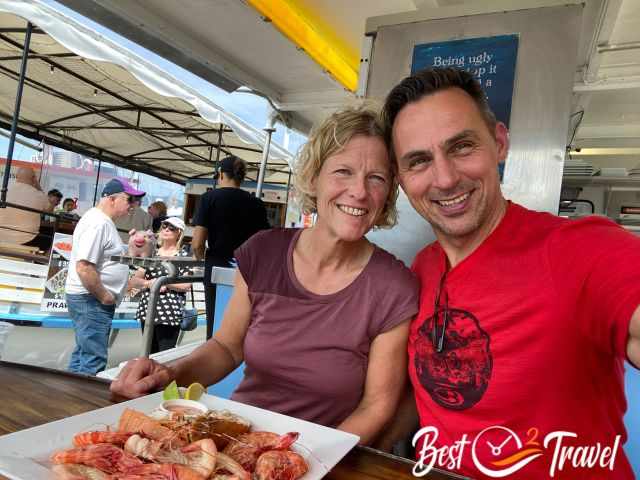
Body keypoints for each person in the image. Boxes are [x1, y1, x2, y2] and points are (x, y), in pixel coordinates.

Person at [381, 67, 640, 479]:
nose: (445, 178)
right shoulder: (423, 268)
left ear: (499, 143)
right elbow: (430, 397)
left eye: (462, 146)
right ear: (401, 178)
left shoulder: (578, 249)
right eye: (419, 161)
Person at [111, 106, 420, 445]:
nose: (359, 192)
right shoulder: (264, 252)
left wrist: (304, 460)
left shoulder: (393, 287)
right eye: (343, 171)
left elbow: (377, 406)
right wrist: (167, 374)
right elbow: (227, 348)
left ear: (388, 193)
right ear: (314, 179)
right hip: (235, 439)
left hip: (321, 456)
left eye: (376, 178)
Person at [65, 178, 145, 375]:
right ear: (111, 198)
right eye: (129, 200)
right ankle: (85, 404)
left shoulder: (100, 222)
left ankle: (71, 397)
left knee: (84, 354)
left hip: (88, 298)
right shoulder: (98, 224)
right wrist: (104, 296)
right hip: (91, 299)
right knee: (93, 359)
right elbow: (84, 266)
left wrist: (132, 249)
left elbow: (105, 260)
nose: (133, 205)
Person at [191, 155, 269, 339]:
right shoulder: (256, 204)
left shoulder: (208, 198)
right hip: (246, 273)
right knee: (242, 328)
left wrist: (201, 257)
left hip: (216, 267)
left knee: (215, 327)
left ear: (220, 174)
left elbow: (197, 243)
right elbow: (264, 241)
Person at [129, 217, 191, 354]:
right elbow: (134, 280)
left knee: (164, 354)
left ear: (179, 233)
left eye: (172, 228)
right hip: (148, 308)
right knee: (147, 353)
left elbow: (186, 285)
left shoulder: (183, 255)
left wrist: (164, 283)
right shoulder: (152, 253)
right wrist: (149, 283)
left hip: (169, 311)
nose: (167, 229)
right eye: (164, 226)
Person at [0, 166, 48, 247]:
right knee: (49, 235)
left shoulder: (3, 191)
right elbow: (48, 209)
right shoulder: (39, 195)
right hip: (28, 240)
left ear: (16, 176)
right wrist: (38, 187)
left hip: (1, 237)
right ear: (34, 178)